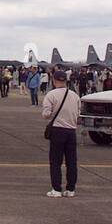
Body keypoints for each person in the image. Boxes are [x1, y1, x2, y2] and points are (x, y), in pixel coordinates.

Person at [41, 69, 79, 197]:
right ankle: (71, 189)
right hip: (71, 131)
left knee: (56, 161)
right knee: (71, 161)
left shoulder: (51, 95)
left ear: (54, 80)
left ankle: (56, 189)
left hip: (58, 130)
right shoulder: (74, 95)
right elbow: (78, 113)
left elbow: (46, 114)